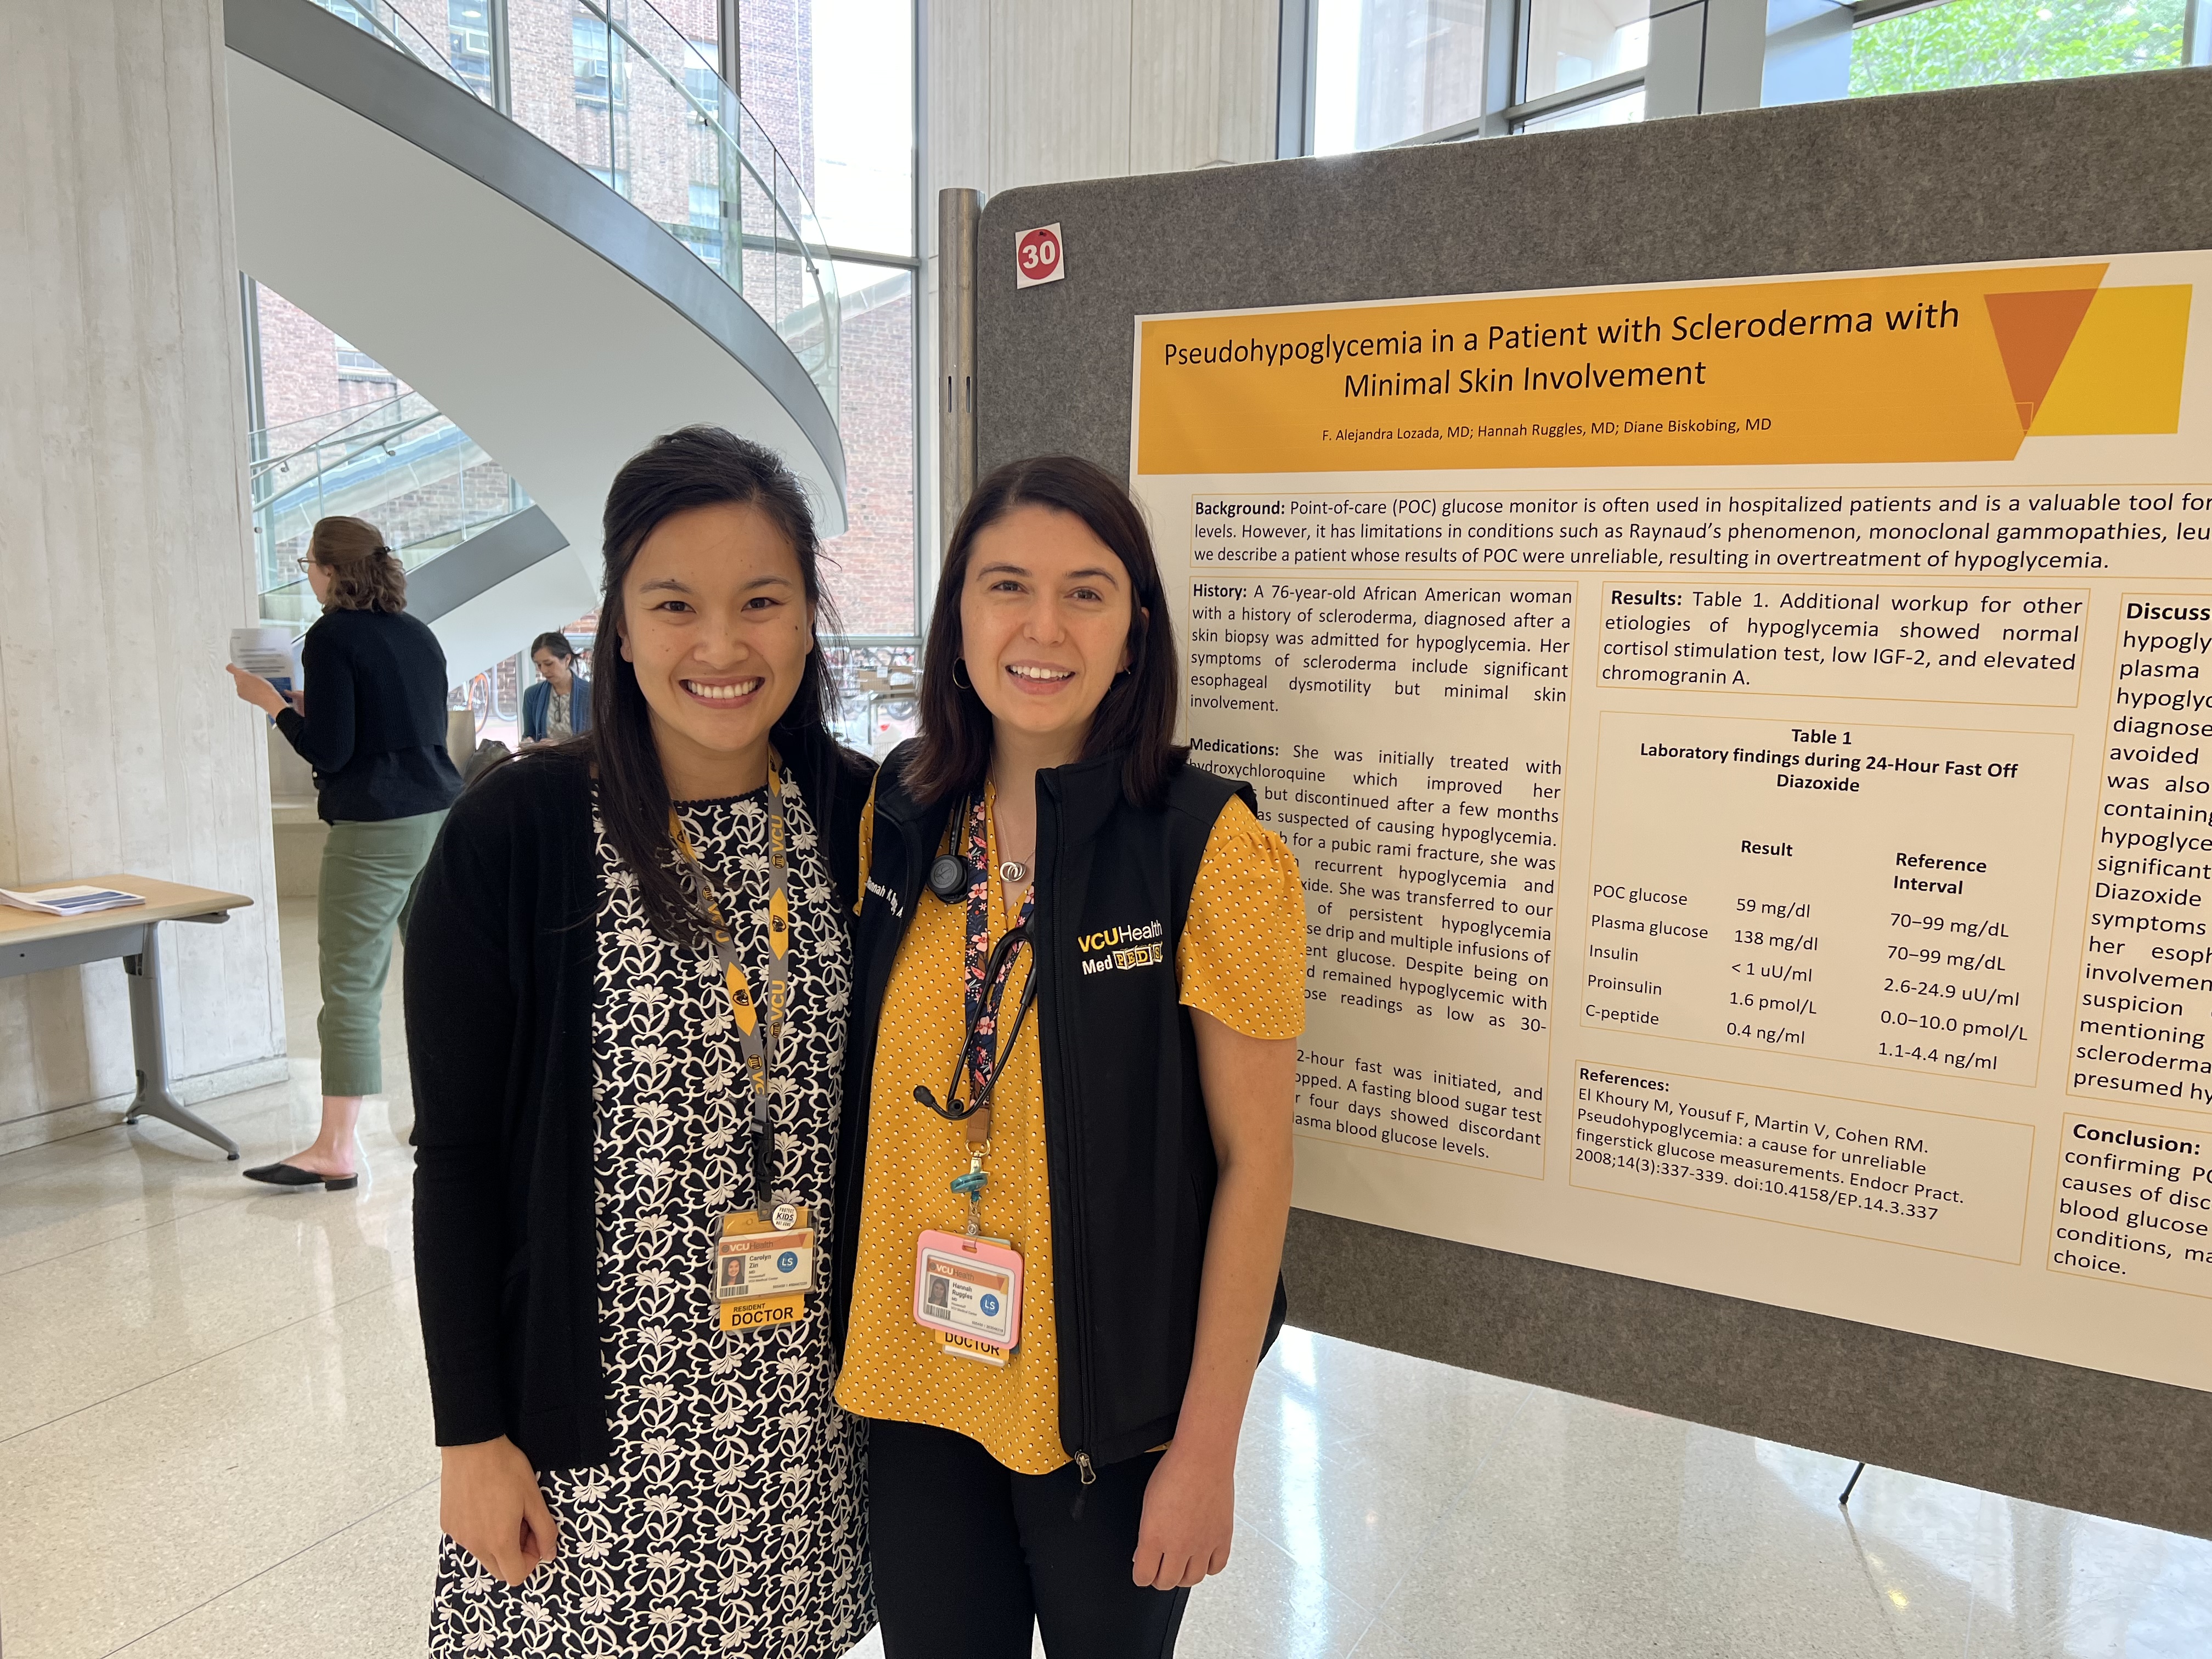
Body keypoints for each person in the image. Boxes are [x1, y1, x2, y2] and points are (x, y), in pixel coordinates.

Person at [404, 427, 877, 1657]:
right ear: (617, 622)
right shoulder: (522, 831)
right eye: (675, 606)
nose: (721, 648)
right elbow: (453, 1159)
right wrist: (469, 1434)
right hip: (590, 1449)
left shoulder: (861, 814)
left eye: (761, 603)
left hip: (806, 1432)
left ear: (810, 618)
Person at [832, 455, 1306, 1657]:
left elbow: (1258, 1168)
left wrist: (1207, 1451)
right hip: (917, 1392)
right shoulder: (905, 810)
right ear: (957, 624)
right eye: (1007, 589)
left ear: (1134, 631)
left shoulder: (1212, 851)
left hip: (1111, 1420)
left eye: (1086, 593)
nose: (1042, 629)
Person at [227, 516, 460, 1192]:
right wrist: (309, 703)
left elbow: (330, 751)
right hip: (439, 815)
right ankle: (448, 1115)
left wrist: (272, 705)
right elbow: (396, 721)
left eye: (307, 563)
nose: (308, 574)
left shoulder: (331, 633)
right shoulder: (417, 633)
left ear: (329, 569)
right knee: (439, 976)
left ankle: (335, 1148)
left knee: (351, 985)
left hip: (375, 827)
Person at [521, 629, 592, 746]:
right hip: (544, 762)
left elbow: (598, 742)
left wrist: (558, 745)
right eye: (539, 665)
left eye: (549, 664)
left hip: (580, 762)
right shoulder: (532, 695)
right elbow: (528, 736)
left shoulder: (591, 694)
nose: (543, 670)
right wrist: (528, 744)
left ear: (567, 659)